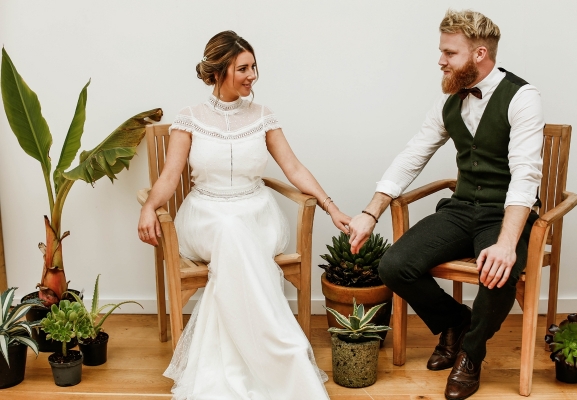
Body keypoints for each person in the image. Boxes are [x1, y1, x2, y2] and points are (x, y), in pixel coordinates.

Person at [138, 30, 349, 400]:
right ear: (219, 71)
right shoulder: (190, 119)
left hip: (258, 216)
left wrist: (331, 207)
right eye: (243, 68)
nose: (252, 75)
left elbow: (293, 168)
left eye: (253, 67)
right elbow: (170, 176)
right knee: (229, 230)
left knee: (236, 233)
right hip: (205, 217)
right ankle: (280, 352)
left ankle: (263, 359)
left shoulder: (263, 117)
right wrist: (148, 207)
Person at [348, 9, 543, 400]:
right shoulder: (449, 100)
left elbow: (525, 176)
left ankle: (471, 353)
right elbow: (413, 154)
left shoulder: (523, 98)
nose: (440, 60)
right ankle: (456, 321)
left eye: (450, 53)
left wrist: (506, 244)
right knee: (394, 265)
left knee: (499, 271)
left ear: (479, 54)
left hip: (503, 213)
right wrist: (371, 211)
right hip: (461, 208)